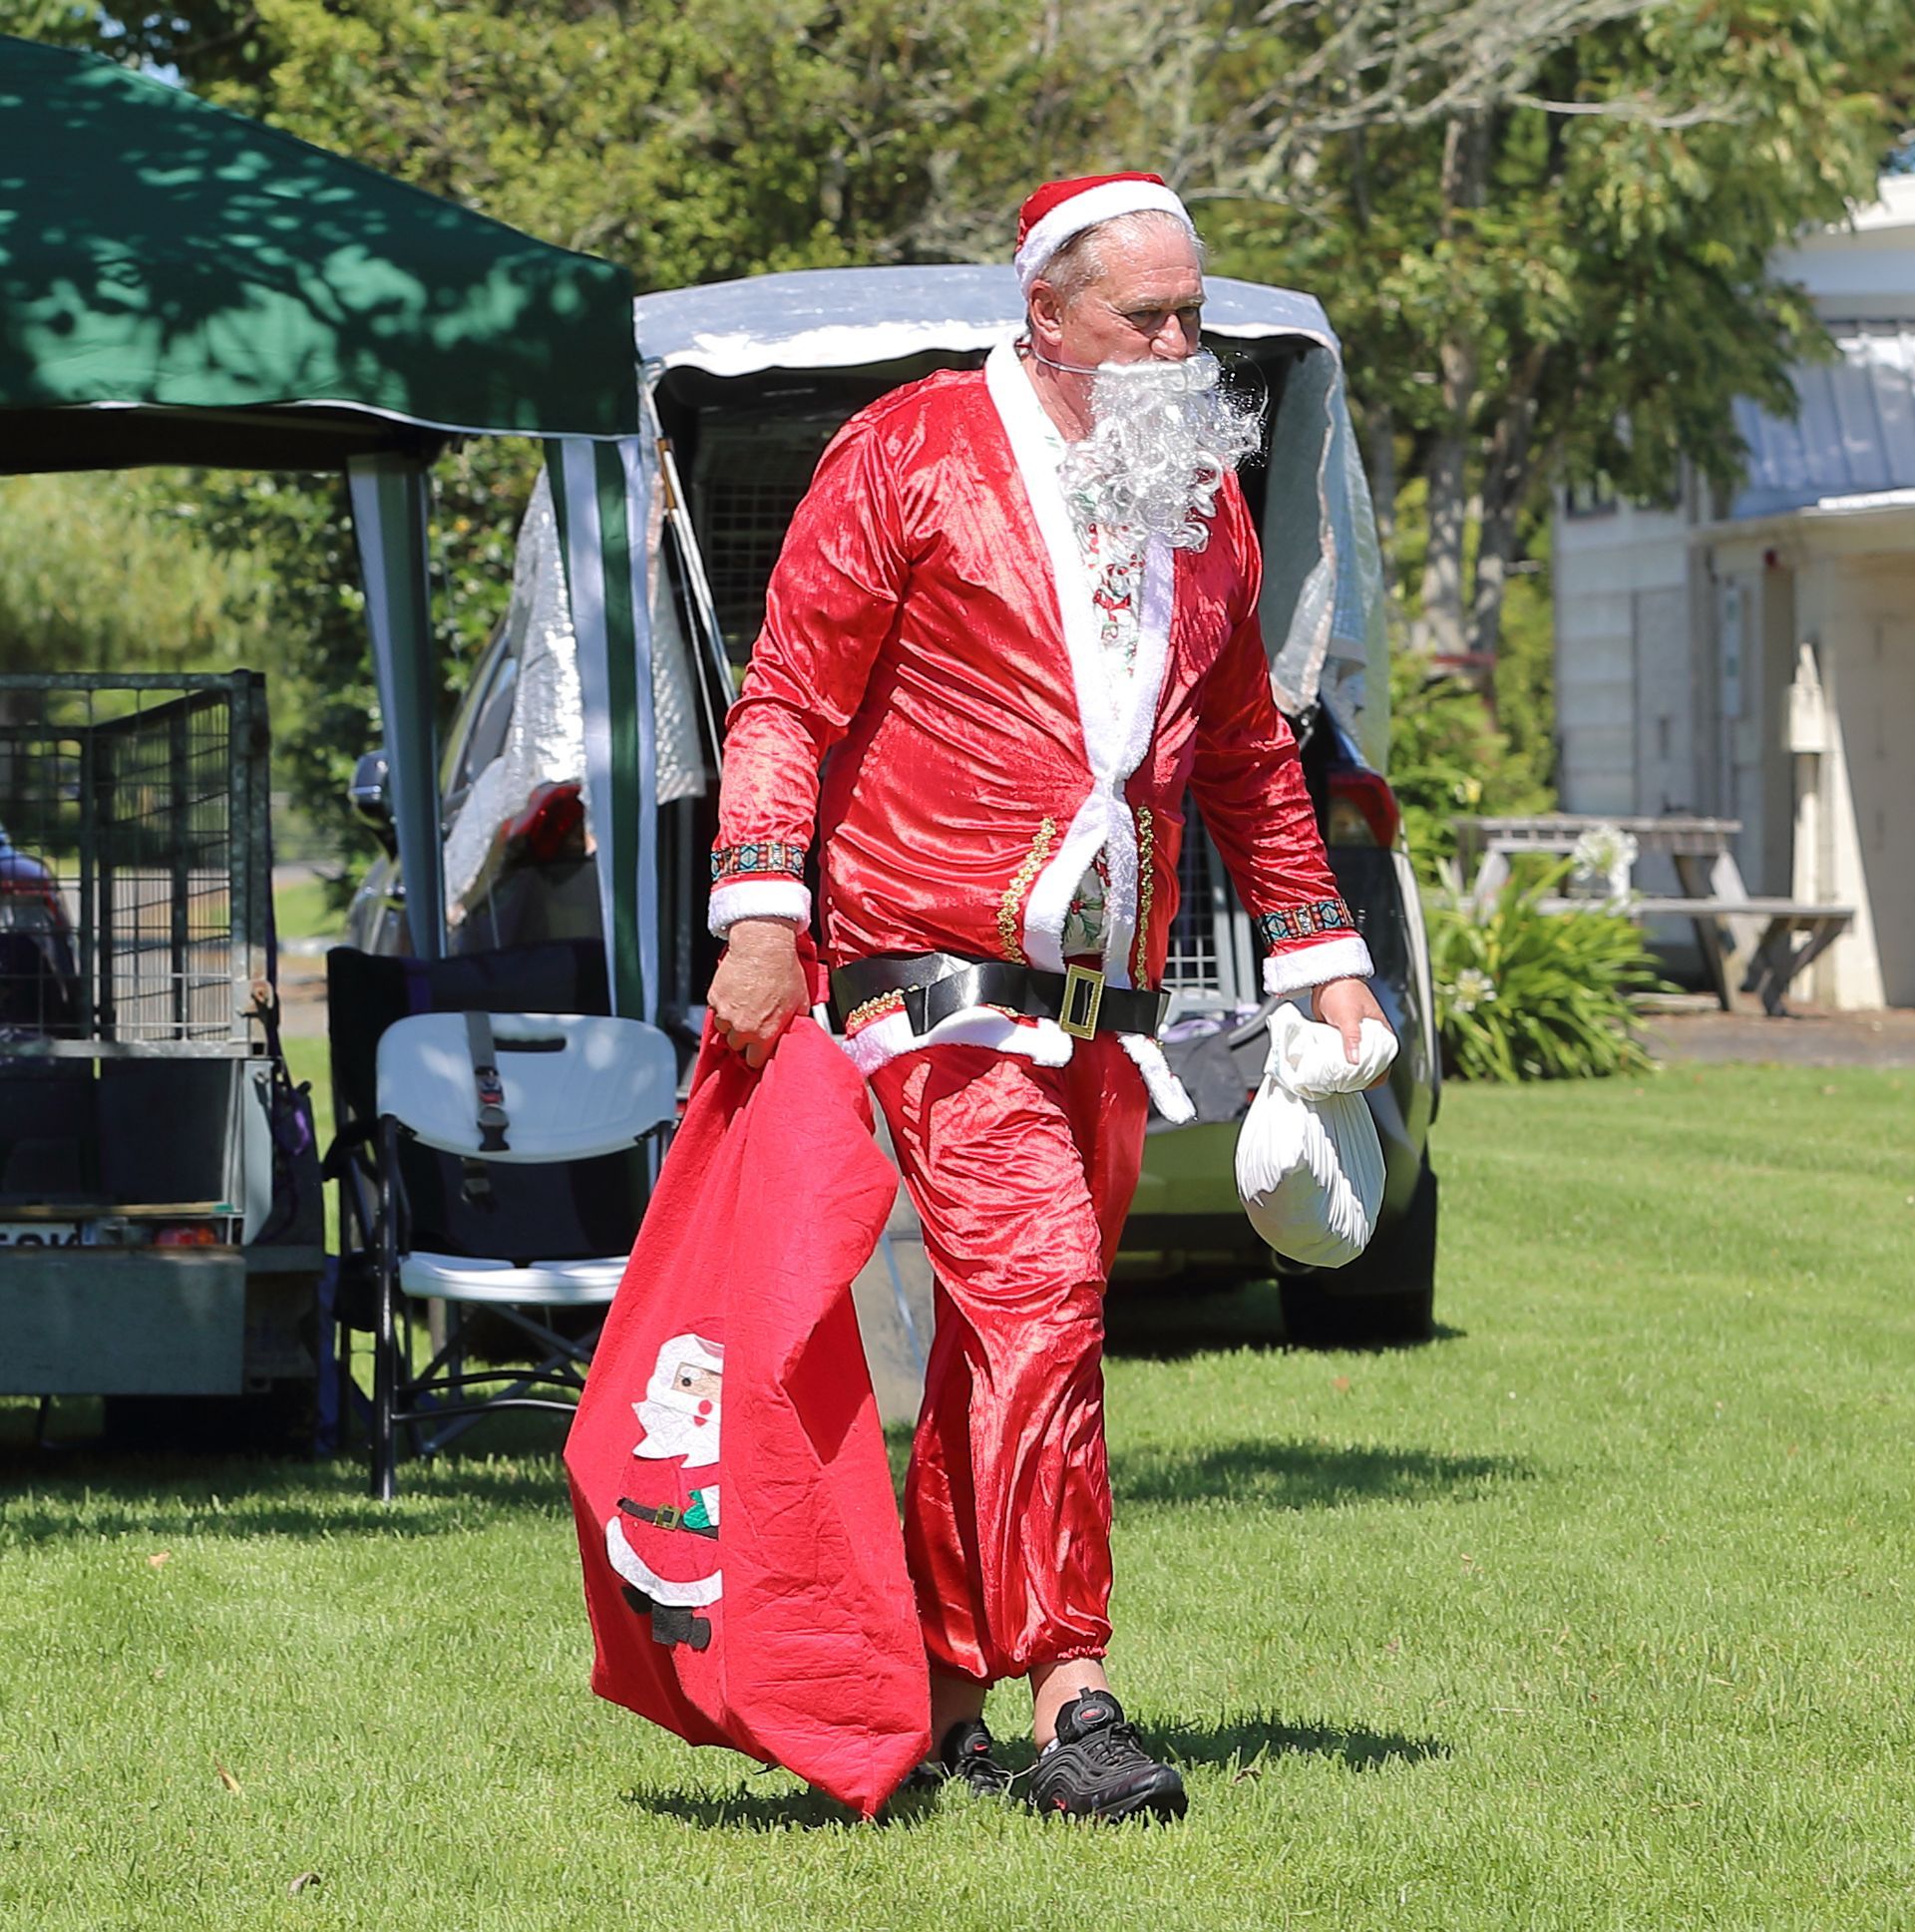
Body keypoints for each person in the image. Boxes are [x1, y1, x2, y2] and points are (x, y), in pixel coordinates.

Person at [703, 173, 1392, 1821]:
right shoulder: (910, 451)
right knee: (1044, 1298)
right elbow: (790, 693)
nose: (1174, 347)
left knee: (995, 1347)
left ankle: (941, 1689)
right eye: (1140, 318)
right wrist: (759, 908)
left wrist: (1330, 954)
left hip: (1103, 1003)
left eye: (1191, 317)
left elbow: (1243, 752)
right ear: (1046, 316)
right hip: (926, 983)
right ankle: (1072, 1692)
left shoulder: (1201, 503)